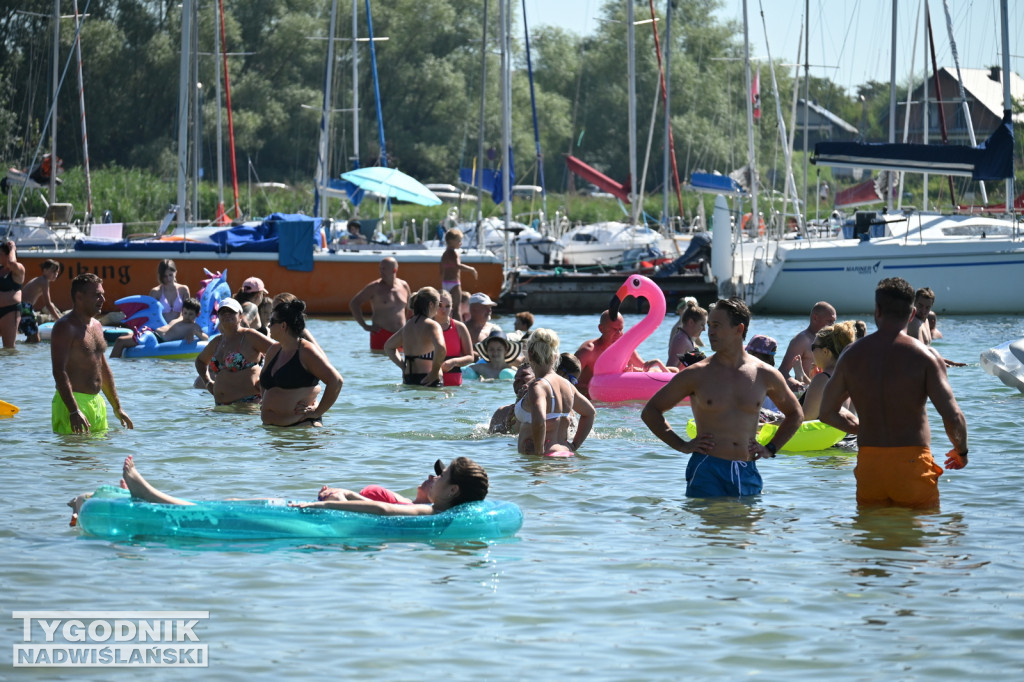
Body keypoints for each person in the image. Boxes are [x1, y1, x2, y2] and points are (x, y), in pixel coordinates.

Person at [818, 277, 969, 509]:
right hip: (911, 462)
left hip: (870, 463)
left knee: (871, 537)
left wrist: (862, 428)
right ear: (912, 314)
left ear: (877, 310)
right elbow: (953, 417)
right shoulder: (926, 357)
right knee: (917, 539)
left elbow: (827, 412)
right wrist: (961, 451)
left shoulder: (851, 355)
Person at [641, 298, 803, 497]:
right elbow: (650, 412)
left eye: (717, 326)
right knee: (709, 526)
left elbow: (795, 414)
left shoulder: (765, 374)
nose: (710, 332)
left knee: (747, 527)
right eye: (709, 325)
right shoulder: (696, 374)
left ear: (739, 329)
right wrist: (682, 445)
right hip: (707, 469)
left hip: (747, 470)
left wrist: (771, 448)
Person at [103, 455, 488, 517]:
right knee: (240, 502)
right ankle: (152, 496)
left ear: (453, 491)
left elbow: (385, 510)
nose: (434, 478)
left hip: (319, 519)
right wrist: (349, 495)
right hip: (331, 517)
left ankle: (152, 498)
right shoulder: (432, 508)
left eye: (443, 476)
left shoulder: (430, 511)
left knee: (238, 507)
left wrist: (323, 506)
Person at [50, 273, 133, 434]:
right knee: (75, 457)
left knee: (98, 459)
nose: (102, 299)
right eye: (97, 295)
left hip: (97, 402)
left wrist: (117, 407)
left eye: (102, 294)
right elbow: (59, 371)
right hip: (72, 404)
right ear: (79, 297)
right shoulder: (65, 327)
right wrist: (74, 410)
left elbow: (102, 368)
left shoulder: (97, 326)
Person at [260, 298, 343, 426]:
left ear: (283, 326)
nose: (269, 325)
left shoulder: (306, 351)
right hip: (273, 431)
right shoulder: (274, 349)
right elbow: (264, 383)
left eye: (272, 321)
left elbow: (336, 381)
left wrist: (317, 412)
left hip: (301, 429)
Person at [518, 329, 595, 456]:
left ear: (530, 354)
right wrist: (575, 445)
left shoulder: (538, 386)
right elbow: (590, 413)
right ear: (555, 357)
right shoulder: (568, 386)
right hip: (566, 453)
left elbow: (539, 420)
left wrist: (539, 453)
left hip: (545, 456)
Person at [195, 298, 274, 405]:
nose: (227, 314)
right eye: (223, 312)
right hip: (221, 406)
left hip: (247, 404)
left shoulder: (249, 336)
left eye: (231, 311)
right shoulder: (217, 341)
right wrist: (208, 382)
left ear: (240, 316)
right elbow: (200, 361)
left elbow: (280, 351)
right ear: (219, 317)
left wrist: (264, 380)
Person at [575, 310, 671, 398]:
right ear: (601, 329)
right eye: (614, 329)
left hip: (617, 404)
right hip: (591, 402)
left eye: (621, 329)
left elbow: (646, 370)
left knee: (673, 370)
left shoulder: (627, 349)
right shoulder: (589, 351)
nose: (618, 333)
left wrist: (657, 363)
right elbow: (565, 379)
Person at [383, 287, 445, 387]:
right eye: (439, 304)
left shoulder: (407, 326)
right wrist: (434, 372)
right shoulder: (432, 326)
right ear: (431, 304)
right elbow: (441, 348)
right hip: (428, 379)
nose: (438, 309)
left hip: (409, 379)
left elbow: (388, 347)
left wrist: (403, 367)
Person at [110, 296, 209, 358]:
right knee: (125, 334)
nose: (187, 316)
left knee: (120, 341)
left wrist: (195, 333)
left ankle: (112, 366)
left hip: (158, 339)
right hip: (152, 333)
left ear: (198, 314)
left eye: (191, 314)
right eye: (185, 312)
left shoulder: (193, 326)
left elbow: (206, 338)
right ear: (182, 310)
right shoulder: (180, 318)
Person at [800, 322, 860, 422]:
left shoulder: (823, 379)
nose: (812, 352)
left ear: (825, 351)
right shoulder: (848, 377)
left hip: (818, 437)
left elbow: (803, 419)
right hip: (841, 435)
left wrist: (767, 424)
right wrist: (812, 381)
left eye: (813, 347)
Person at [349, 257, 412, 353]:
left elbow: (411, 307)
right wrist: (365, 326)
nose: (381, 271)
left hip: (400, 334)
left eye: (384, 269)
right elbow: (354, 303)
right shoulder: (374, 287)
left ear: (394, 270)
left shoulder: (404, 285)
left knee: (401, 363)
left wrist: (410, 326)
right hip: (381, 333)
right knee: (379, 363)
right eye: (380, 268)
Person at [778, 301, 837, 392]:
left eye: (833, 322)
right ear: (815, 318)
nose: (832, 326)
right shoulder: (801, 340)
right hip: (808, 391)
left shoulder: (832, 340)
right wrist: (793, 382)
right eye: (829, 321)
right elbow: (782, 371)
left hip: (827, 390)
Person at [434, 289, 474, 386]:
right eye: (440, 305)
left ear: (452, 308)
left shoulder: (460, 327)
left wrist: (454, 362)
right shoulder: (426, 326)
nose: (443, 310)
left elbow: (470, 357)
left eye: (447, 306)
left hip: (455, 386)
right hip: (431, 384)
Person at [18, 259, 63, 343]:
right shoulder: (44, 281)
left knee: (31, 338)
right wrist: (59, 320)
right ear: (45, 270)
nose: (56, 274)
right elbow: (48, 304)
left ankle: (24, 354)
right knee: (35, 339)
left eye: (57, 272)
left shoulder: (40, 280)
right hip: (25, 308)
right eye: (53, 271)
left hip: (23, 307)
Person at [489, 363, 536, 434]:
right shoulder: (502, 413)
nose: (518, 379)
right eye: (515, 377)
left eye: (524, 375)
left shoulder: (543, 411)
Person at [439, 228, 477, 308]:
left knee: (447, 307)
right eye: (459, 240)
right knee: (456, 308)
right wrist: (471, 269)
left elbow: (441, 270)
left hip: (445, 282)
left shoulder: (445, 254)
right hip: (454, 283)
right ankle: (458, 320)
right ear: (451, 241)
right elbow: (457, 265)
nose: (461, 243)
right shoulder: (454, 253)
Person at [667, 297, 707, 368]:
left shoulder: (686, 338)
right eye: (702, 325)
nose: (704, 329)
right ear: (691, 322)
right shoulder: (681, 340)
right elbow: (670, 368)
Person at [0, 240, 26, 348]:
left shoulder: (18, 269)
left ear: (8, 255)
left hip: (10, 310)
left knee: (9, 348)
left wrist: (12, 248)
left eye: (0, 254)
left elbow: (11, 263)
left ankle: (10, 365)